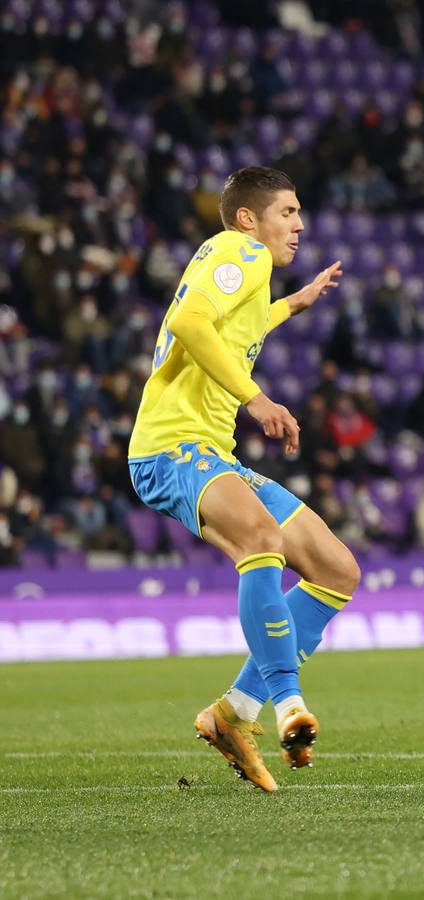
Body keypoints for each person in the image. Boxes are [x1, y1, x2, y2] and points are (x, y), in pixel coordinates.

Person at [127, 167, 358, 793]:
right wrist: (258, 400)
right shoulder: (242, 250)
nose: (300, 225)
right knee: (261, 538)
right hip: (170, 448)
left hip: (212, 454)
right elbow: (191, 325)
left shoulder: (243, 269)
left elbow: (232, 329)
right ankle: (287, 705)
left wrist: (293, 302)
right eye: (287, 211)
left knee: (337, 570)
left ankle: (232, 713)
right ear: (249, 218)